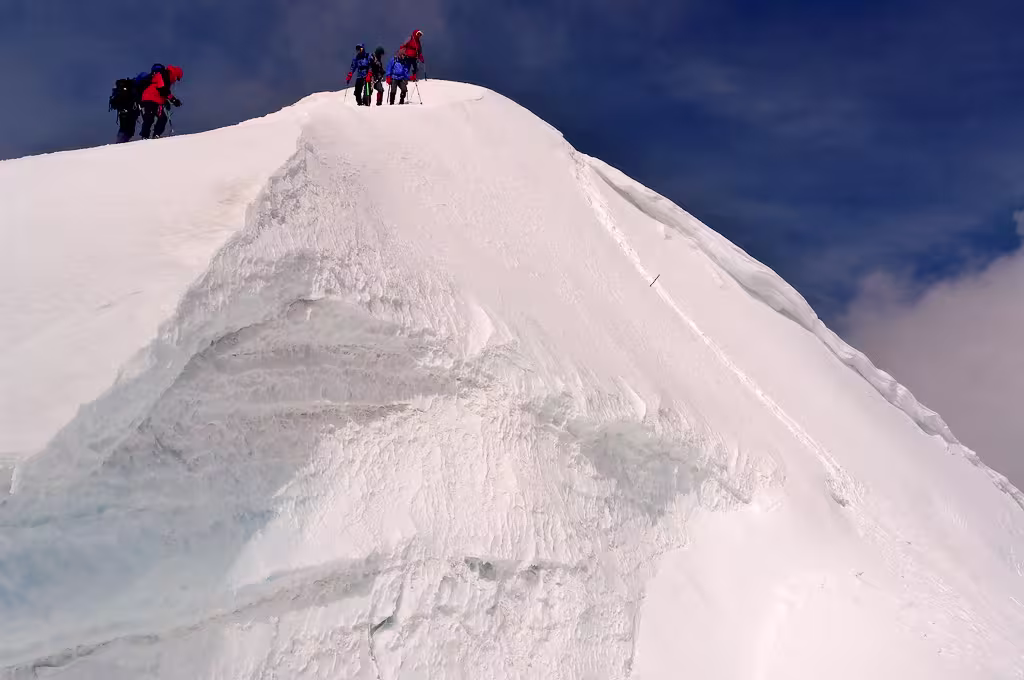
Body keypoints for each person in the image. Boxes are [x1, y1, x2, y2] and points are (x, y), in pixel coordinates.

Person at [140, 64, 183, 139]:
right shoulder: (164, 75)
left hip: (154, 99)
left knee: (161, 118)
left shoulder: (166, 77)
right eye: (177, 78)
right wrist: (173, 100)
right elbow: (162, 90)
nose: (176, 80)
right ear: (175, 74)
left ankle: (153, 135)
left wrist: (167, 101)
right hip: (150, 99)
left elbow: (163, 92)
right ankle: (146, 136)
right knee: (150, 117)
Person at [109, 73, 147, 143]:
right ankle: (121, 143)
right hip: (131, 111)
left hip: (122, 111)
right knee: (129, 129)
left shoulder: (129, 88)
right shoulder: (135, 88)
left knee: (124, 128)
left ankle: (120, 142)